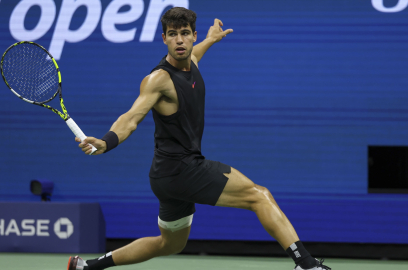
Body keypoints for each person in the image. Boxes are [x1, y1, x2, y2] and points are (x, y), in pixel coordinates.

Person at [67, 7, 331, 270]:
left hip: (164, 176)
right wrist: (107, 141)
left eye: (184, 34)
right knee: (259, 195)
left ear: (193, 36)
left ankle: (88, 267)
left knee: (169, 244)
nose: (179, 40)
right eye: (172, 34)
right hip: (182, 169)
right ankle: (306, 264)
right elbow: (131, 117)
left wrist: (212, 38)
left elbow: (197, 54)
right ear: (164, 39)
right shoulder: (158, 80)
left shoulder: (191, 60)